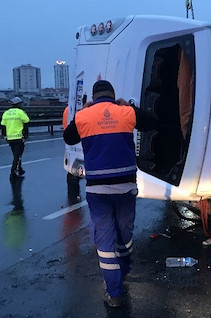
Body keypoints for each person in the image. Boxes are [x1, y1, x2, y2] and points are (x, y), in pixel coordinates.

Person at [63, 80, 156, 308]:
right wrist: (128, 107)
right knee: (125, 234)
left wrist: (86, 112)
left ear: (94, 97)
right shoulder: (126, 112)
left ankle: (114, 294)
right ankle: (123, 270)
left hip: (98, 189)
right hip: (125, 187)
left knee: (105, 241)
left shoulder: (84, 116)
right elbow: (152, 123)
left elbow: (69, 138)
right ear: (114, 96)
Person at [1, 97, 30, 179]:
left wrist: (4, 136)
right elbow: (27, 122)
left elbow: (3, 126)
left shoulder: (6, 113)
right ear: (19, 104)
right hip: (19, 137)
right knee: (18, 156)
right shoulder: (20, 112)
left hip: (10, 138)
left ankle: (19, 169)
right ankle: (13, 173)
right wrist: (26, 135)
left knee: (16, 155)